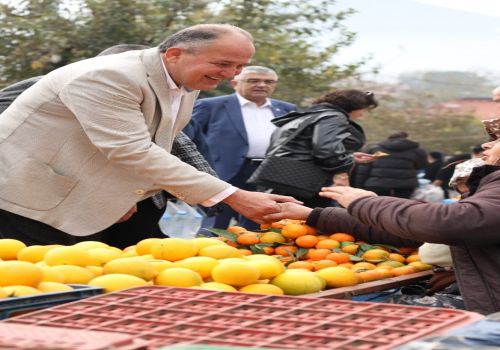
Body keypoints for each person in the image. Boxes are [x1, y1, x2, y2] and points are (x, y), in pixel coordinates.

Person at [268, 114, 500, 315]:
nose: (487, 145)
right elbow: (425, 232)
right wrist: (313, 215)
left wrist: (365, 200)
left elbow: (457, 224)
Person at [0, 24, 299, 245]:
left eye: (239, 66)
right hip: (30, 197)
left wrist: (119, 196)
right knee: (41, 294)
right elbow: (132, 149)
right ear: (174, 54)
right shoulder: (108, 76)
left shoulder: (185, 81)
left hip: (77, 198)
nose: (231, 75)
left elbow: (158, 144)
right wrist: (234, 196)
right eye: (223, 64)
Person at [0, 44, 221, 249]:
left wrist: (215, 192)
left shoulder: (167, 93)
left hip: (133, 199)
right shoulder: (61, 84)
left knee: (107, 259)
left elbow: (176, 144)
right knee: (44, 262)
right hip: (38, 192)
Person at [186, 66, 296, 230]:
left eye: (268, 82)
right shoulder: (210, 106)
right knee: (216, 223)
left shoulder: (287, 109)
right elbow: (188, 139)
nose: (261, 85)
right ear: (234, 83)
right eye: (253, 80)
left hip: (269, 173)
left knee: (262, 223)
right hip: (224, 173)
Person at [262, 89, 378, 208]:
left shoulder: (311, 114)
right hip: (305, 179)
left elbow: (307, 147)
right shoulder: (333, 116)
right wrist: (341, 173)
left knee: (279, 217)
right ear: (356, 105)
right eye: (366, 109)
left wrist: (349, 156)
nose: (364, 113)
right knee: (303, 221)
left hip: (282, 174)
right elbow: (326, 149)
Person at [350, 131, 427, 198]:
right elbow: (422, 166)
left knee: (378, 207)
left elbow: (363, 170)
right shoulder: (417, 151)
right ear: (406, 138)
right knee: (400, 207)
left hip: (377, 184)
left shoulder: (374, 148)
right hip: (405, 185)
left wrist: (359, 186)